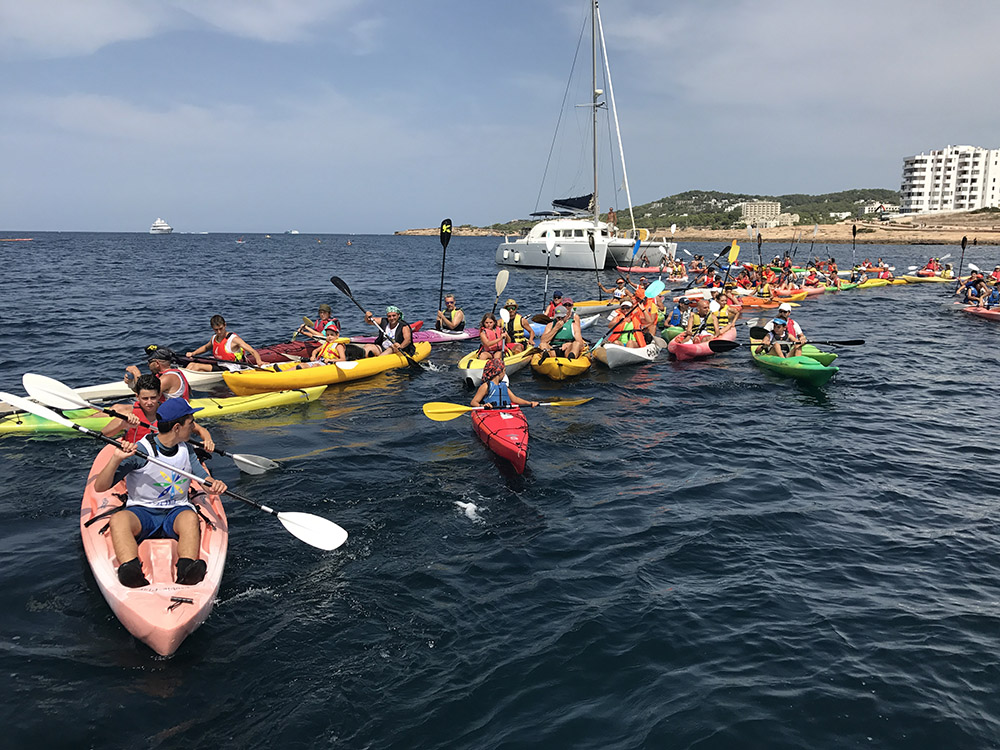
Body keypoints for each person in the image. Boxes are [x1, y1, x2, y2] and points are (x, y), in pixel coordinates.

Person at [92, 398, 228, 588]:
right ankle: (130, 569)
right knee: (119, 520)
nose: (194, 427)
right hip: (142, 512)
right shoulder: (140, 451)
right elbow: (100, 486)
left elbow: (203, 479)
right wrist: (116, 459)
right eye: (191, 422)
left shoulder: (187, 450)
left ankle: (186, 568)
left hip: (176, 512)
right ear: (177, 428)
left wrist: (215, 485)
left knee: (190, 518)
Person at [102, 374, 215, 452]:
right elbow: (105, 433)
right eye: (145, 398)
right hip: (137, 456)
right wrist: (123, 423)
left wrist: (208, 440)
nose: (149, 402)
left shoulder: (169, 412)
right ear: (137, 397)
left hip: (164, 457)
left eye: (153, 398)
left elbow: (200, 429)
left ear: (159, 395)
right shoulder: (129, 413)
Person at [186, 315, 263, 365]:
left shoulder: (233, 339)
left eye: (221, 329)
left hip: (232, 368)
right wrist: (193, 353)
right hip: (220, 365)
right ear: (212, 328)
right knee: (191, 365)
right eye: (216, 330)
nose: (219, 332)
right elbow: (206, 348)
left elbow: (252, 351)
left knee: (196, 366)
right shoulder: (214, 338)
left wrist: (259, 361)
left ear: (225, 325)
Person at [125, 347, 195, 400]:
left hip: (174, 413)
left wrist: (136, 374)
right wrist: (131, 382)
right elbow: (140, 391)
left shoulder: (168, 378)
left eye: (149, 362)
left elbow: (145, 393)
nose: (148, 365)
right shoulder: (165, 374)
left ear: (157, 363)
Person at [471, 359, 538, 410]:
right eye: (504, 371)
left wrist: (530, 403)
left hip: (504, 412)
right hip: (490, 413)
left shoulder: (503, 386)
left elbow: (515, 399)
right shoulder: (486, 386)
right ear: (499, 372)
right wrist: (482, 406)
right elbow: (474, 402)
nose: (505, 373)